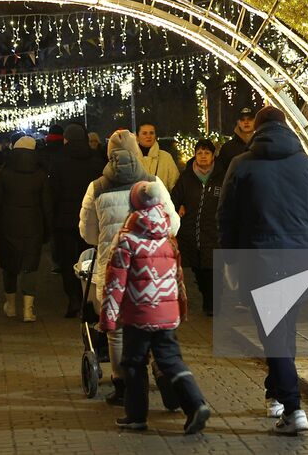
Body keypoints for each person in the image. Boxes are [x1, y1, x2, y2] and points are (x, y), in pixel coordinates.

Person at [219, 105, 308, 435]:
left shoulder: (241, 165)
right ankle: (277, 396)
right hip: (298, 262)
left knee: (273, 338)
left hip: (257, 261)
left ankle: (294, 409)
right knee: (283, 332)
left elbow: (225, 217)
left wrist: (230, 262)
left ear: (257, 129)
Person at [101, 180, 212, 435]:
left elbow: (115, 282)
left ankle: (136, 415)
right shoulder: (168, 238)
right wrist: (181, 309)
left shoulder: (127, 239)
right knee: (171, 361)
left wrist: (108, 317)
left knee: (133, 363)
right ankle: (196, 404)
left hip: (138, 314)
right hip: (166, 313)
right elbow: (178, 278)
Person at [80, 130, 179, 405]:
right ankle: (161, 371)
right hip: (151, 269)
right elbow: (172, 225)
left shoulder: (97, 187)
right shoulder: (153, 182)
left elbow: (87, 233)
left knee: (117, 330)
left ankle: (122, 384)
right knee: (154, 324)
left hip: (112, 270)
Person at [0, 135, 53, 322]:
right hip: (33, 224)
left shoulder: (5, 174)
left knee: (9, 265)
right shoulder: (41, 175)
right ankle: (28, 309)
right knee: (30, 265)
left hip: (8, 224)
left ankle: (10, 305)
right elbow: (47, 205)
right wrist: (48, 229)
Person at [48, 123, 105, 317]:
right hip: (91, 220)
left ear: (66, 139)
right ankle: (88, 298)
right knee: (88, 259)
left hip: (65, 221)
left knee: (68, 261)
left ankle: (73, 299)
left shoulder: (58, 161)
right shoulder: (96, 161)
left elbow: (53, 192)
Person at [170, 138, 221, 315]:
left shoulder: (221, 177)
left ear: (213, 155)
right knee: (198, 269)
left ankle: (212, 304)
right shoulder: (186, 177)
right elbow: (174, 199)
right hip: (191, 232)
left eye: (207, 152)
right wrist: (178, 207)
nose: (203, 156)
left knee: (212, 269)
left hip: (213, 232)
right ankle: (208, 301)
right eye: (199, 153)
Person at [214, 105, 256, 181]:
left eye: (249, 119)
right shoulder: (227, 148)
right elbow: (221, 174)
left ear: (255, 121)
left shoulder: (261, 145)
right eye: (242, 119)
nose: (246, 122)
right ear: (238, 122)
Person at [136, 122, 180, 190]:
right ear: (137, 137)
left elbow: (175, 185)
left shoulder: (166, 157)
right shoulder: (131, 159)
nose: (148, 136)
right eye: (144, 133)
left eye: (151, 133)